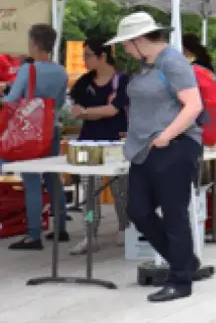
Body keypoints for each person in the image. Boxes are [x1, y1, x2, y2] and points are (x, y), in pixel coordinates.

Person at [109, 13, 205, 302]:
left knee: (174, 212)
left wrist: (166, 135)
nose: (124, 49)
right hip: (144, 149)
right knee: (138, 210)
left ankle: (181, 280)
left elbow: (193, 105)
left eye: (126, 43)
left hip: (174, 146)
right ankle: (184, 261)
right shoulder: (146, 65)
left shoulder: (173, 62)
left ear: (139, 40)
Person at [4, 25, 69, 251]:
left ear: (34, 43)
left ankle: (33, 235)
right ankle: (60, 227)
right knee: (52, 177)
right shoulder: (61, 71)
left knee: (31, 180)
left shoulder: (28, 70)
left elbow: (12, 100)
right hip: (51, 128)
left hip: (29, 133)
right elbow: (60, 103)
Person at [67, 37, 130, 255]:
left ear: (102, 56)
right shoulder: (84, 82)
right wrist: (85, 113)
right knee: (89, 190)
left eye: (88, 56)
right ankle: (90, 232)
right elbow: (73, 108)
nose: (84, 60)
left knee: (119, 189)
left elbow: (113, 109)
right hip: (87, 143)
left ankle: (124, 227)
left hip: (115, 142)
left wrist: (86, 112)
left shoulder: (122, 81)